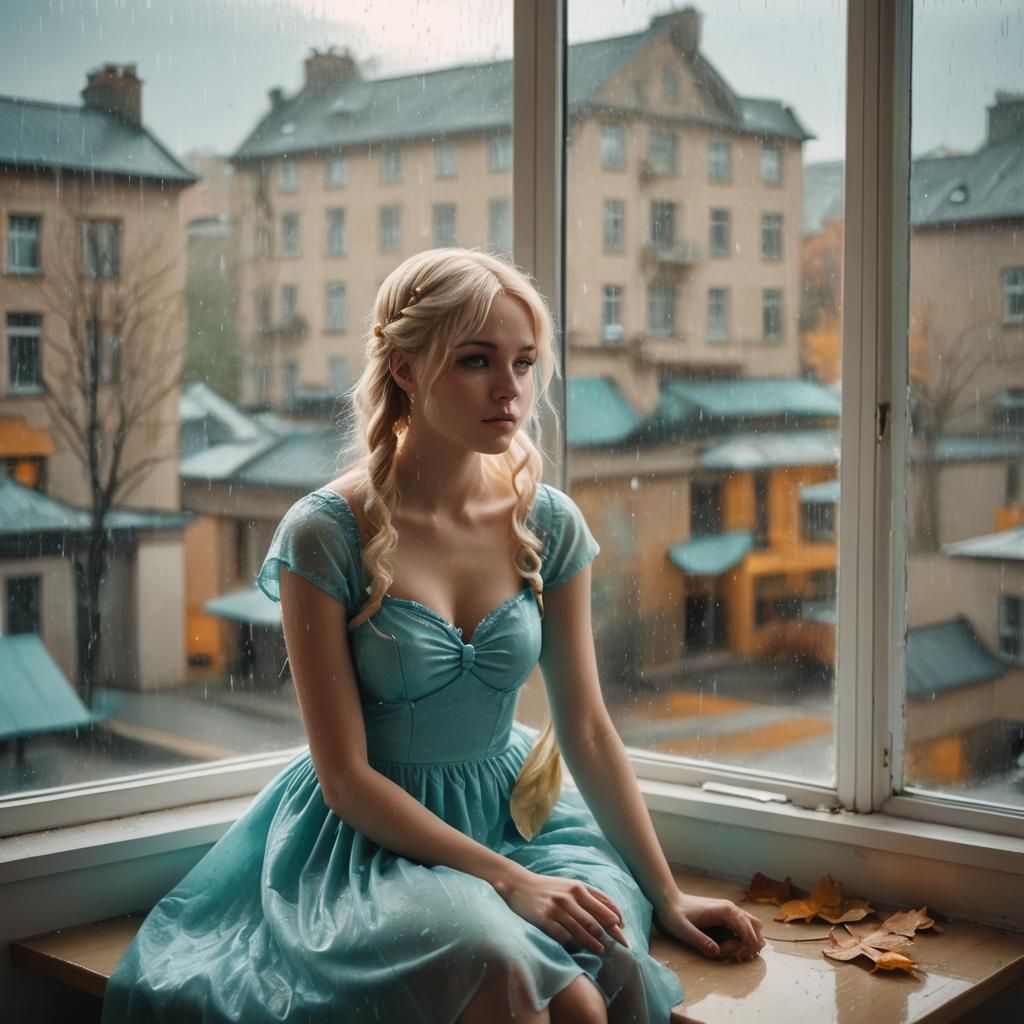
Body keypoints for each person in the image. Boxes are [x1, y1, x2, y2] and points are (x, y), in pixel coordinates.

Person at [101, 248, 763, 1024]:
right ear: (406, 368)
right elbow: (344, 778)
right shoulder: (326, 533)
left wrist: (668, 893)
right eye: (476, 360)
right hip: (371, 841)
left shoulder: (548, 521)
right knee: (519, 982)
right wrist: (507, 882)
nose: (509, 388)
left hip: (516, 820)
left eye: (523, 362)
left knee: (601, 978)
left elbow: (585, 727)